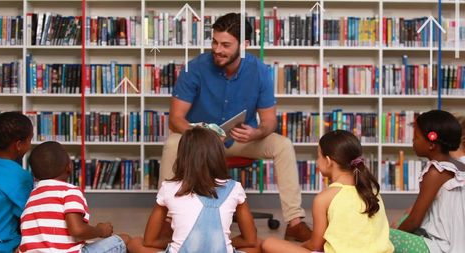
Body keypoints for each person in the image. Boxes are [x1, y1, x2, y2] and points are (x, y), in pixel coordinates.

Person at [159, 12, 310, 242]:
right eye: (215, 42)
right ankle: (167, 221)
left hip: (241, 141)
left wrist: (257, 132)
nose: (218, 49)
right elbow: (176, 119)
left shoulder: (259, 71)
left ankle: (295, 222)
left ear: (245, 45)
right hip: (200, 142)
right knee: (172, 142)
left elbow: (269, 121)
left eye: (226, 45)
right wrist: (200, 133)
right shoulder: (195, 68)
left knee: (283, 145)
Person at [128, 126, 260, 253]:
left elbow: (149, 241)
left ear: (182, 157)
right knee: (258, 245)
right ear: (219, 155)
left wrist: (174, 243)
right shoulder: (235, 188)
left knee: (135, 243)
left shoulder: (168, 188)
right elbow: (250, 240)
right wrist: (225, 242)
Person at [262, 130, 394, 253]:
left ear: (329, 161)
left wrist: (298, 247)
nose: (317, 161)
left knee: (268, 243)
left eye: (318, 156)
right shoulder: (371, 191)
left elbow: (316, 246)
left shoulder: (324, 198)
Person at [18, 141, 130, 253]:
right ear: (70, 167)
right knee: (124, 240)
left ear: (34, 175)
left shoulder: (32, 197)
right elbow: (77, 230)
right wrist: (100, 230)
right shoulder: (69, 191)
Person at [389, 110, 465, 253]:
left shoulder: (436, 172)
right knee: (400, 222)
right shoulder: (459, 166)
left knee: (382, 236)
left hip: (442, 246)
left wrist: (397, 235)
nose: (413, 141)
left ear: (431, 144)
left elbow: (414, 221)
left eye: (416, 137)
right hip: (457, 241)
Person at [0, 111, 34, 253]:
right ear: (18, 145)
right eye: (29, 140)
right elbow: (27, 216)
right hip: (1, 246)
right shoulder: (21, 177)